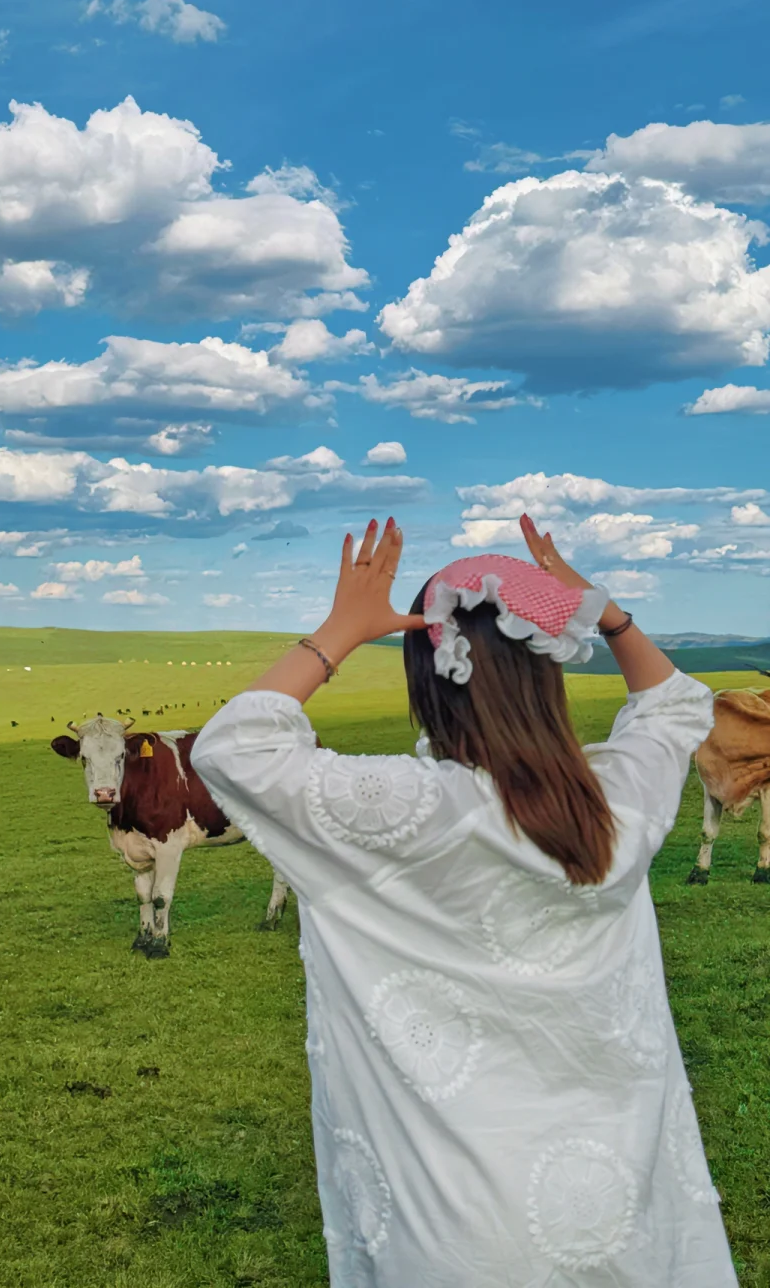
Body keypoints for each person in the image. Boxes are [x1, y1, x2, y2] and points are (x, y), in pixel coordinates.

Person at [190, 515, 736, 1287]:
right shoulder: (613, 802)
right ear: (548, 677)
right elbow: (676, 706)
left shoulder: (401, 807)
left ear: (427, 681)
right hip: (619, 1208)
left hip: (448, 1232)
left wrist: (338, 632)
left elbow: (231, 748)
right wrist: (606, 614)